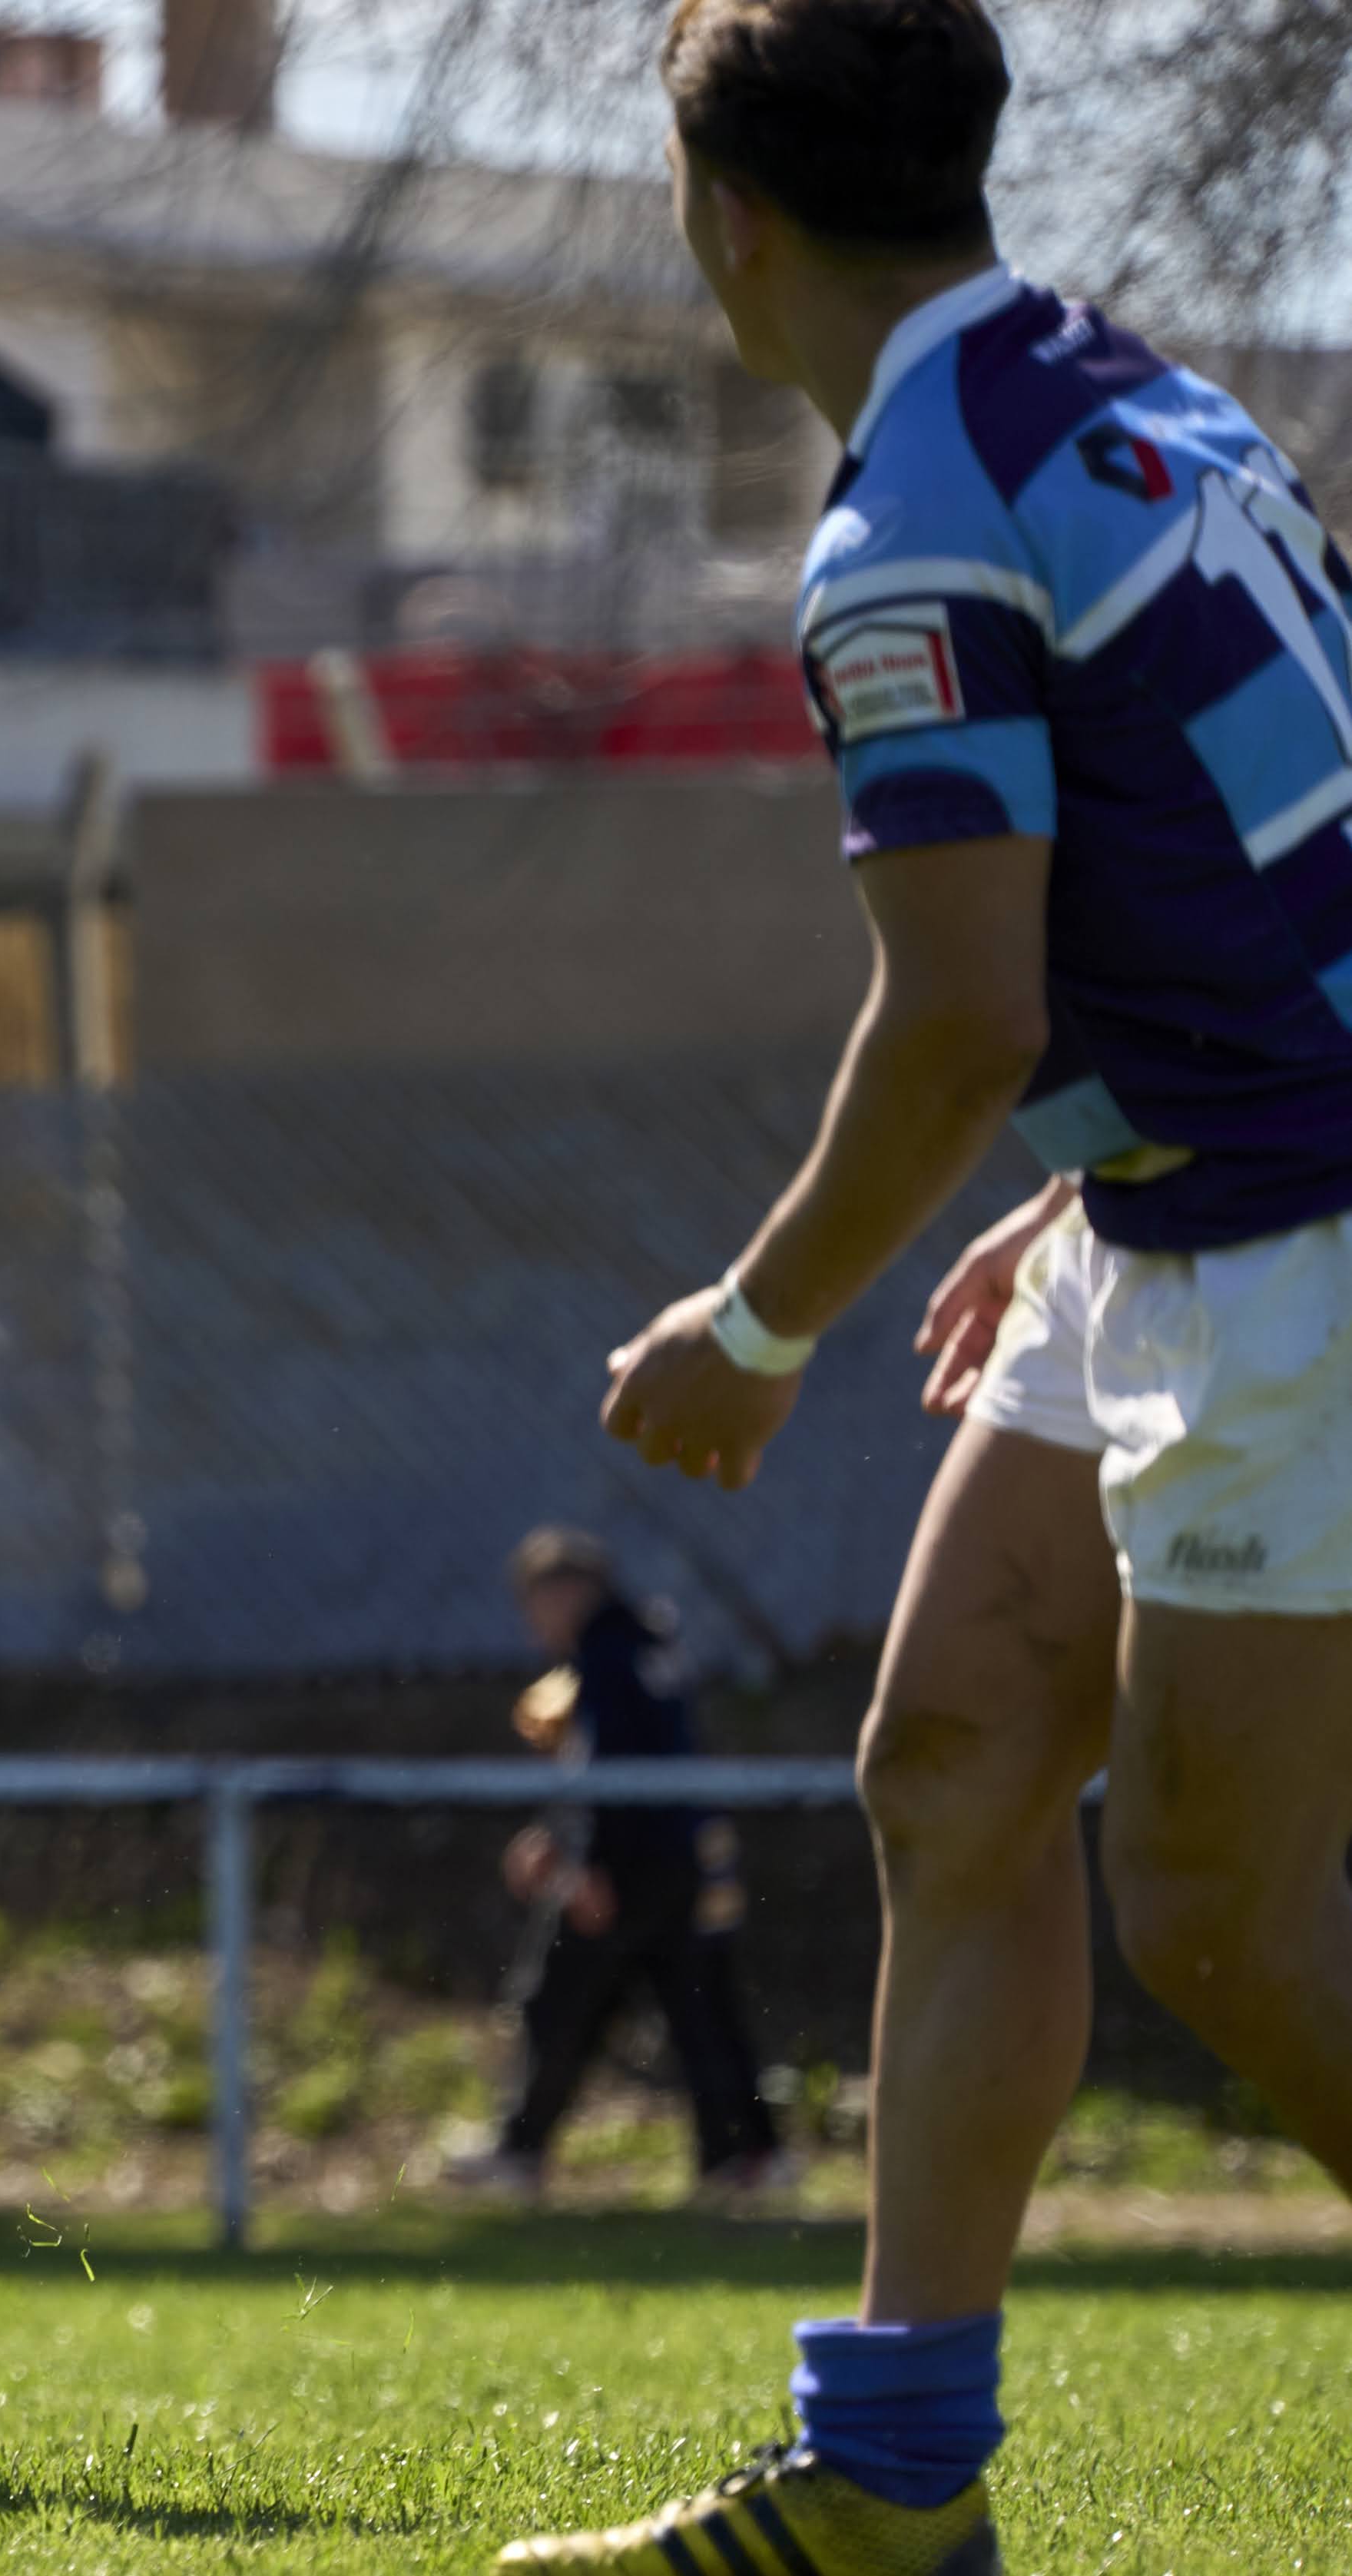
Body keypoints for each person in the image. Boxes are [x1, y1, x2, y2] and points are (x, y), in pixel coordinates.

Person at [508, 3, 1352, 2568]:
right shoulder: (1142, 403)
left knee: (1215, 1899)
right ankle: (890, 2492)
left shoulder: (910, 525)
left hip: (1293, 1231)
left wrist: (756, 1329)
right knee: (956, 1751)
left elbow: (960, 1002)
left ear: (722, 211)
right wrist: (1079, 1155)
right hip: (1182, 1189)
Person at [443, 1528, 785, 2206]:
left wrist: (584, 1862)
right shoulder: (650, 1642)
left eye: (534, 1601)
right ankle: (746, 2154)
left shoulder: (606, 1652)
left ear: (568, 1592)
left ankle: (520, 2152)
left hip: (629, 1862)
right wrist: (554, 1831)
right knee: (696, 2007)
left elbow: (615, 1770)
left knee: (559, 2001)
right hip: (681, 1855)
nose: (529, 1620)